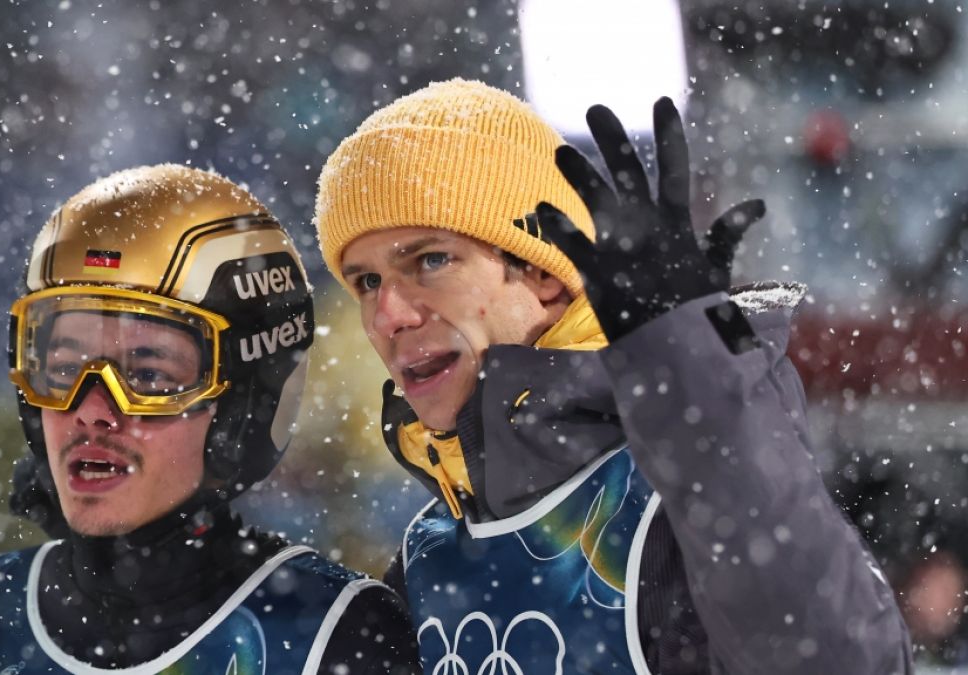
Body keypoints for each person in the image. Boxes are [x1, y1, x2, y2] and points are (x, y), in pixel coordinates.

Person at [312, 78, 914, 673]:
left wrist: (695, 377)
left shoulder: (677, 489)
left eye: (431, 260)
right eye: (366, 282)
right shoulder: (429, 553)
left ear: (545, 273)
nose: (388, 315)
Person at [0, 163, 419, 674]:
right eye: (64, 369)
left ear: (240, 410)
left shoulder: (329, 633)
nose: (93, 412)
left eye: (148, 374)